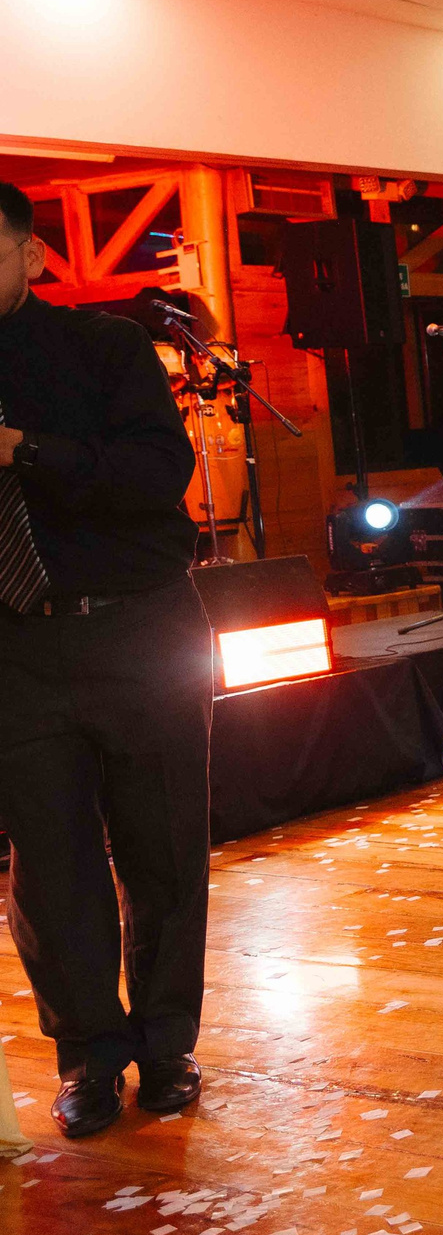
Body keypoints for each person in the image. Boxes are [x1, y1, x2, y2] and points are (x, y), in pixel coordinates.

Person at [0, 179, 215, 1140]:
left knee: (162, 845)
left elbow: (156, 474)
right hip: (14, 644)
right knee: (48, 869)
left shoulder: (104, 346)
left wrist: (24, 450)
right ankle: (89, 1053)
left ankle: (167, 1044)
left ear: (31, 254)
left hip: (140, 626)